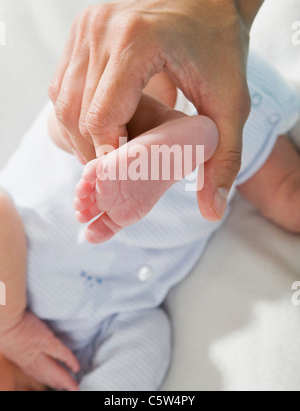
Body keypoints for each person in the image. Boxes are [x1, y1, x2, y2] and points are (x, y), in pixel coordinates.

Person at [0, 52, 299, 391]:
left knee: (79, 122)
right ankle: (174, 140)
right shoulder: (86, 349)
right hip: (227, 154)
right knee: (289, 200)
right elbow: (149, 335)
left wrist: (8, 325)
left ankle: (164, 128)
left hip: (154, 82)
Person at [48, 0, 300, 224]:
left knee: (74, 126)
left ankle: (169, 129)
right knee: (288, 194)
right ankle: (172, 134)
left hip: (184, 73)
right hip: (228, 114)